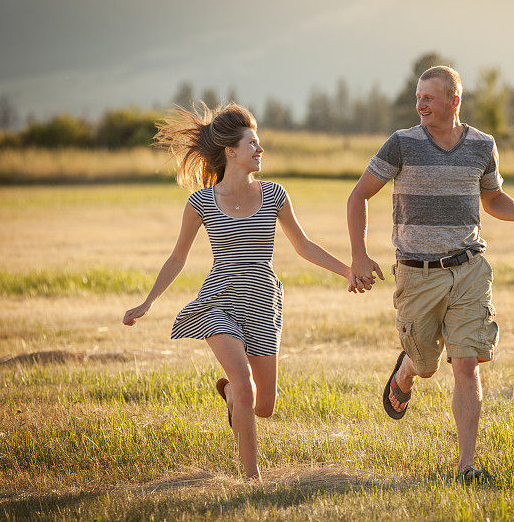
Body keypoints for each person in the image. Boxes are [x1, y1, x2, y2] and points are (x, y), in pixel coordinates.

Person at [123, 103, 353, 481]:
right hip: (218, 304)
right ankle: (252, 478)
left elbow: (304, 245)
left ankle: (230, 394)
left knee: (263, 406)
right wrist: (147, 302)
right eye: (253, 144)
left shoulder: (275, 194)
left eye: (259, 143)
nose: (260, 150)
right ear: (231, 151)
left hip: (264, 303)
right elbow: (177, 258)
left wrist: (347, 270)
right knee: (246, 385)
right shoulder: (200, 202)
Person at [347, 66, 514, 482]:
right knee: (427, 366)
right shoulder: (401, 144)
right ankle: (407, 369)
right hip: (416, 273)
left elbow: (493, 200)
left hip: (469, 268)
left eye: (429, 97)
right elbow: (359, 195)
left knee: (465, 364)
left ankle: (467, 466)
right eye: (418, 97)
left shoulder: (482, 145)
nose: (420, 104)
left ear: (454, 101)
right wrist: (358, 255)